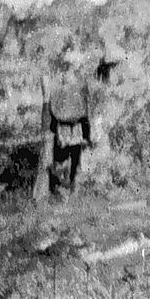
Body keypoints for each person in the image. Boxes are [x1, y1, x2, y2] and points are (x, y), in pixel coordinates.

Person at [46, 48, 93, 197]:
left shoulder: (79, 85)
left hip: (75, 126)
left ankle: (70, 185)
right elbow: (54, 107)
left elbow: (84, 109)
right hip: (65, 127)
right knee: (62, 159)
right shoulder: (60, 86)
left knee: (74, 158)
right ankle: (61, 186)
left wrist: (86, 134)